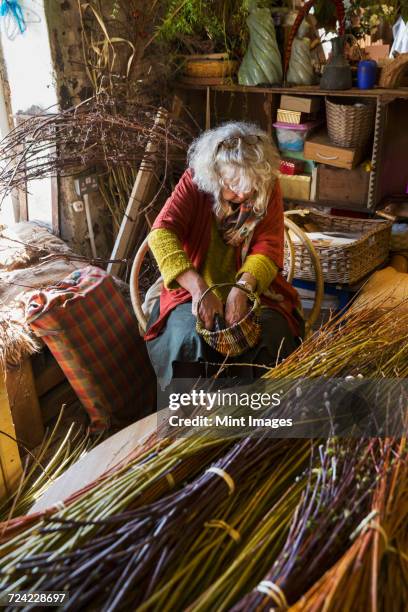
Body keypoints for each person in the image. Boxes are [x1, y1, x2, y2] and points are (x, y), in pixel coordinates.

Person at [144, 121, 304, 389]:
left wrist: (242, 289)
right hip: (193, 289)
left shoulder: (267, 186)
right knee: (189, 340)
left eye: (249, 185)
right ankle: (194, 421)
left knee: (269, 336)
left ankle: (251, 418)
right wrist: (198, 289)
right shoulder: (196, 182)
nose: (242, 194)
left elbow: (268, 245)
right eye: (233, 184)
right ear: (215, 175)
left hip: (256, 290)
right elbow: (161, 234)